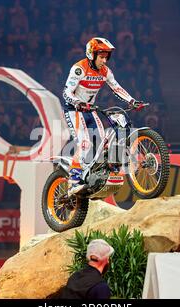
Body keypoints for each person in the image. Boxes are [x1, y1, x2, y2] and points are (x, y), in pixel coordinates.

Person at [62, 37, 145, 195]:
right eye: (101, 56)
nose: (104, 60)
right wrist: (77, 102)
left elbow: (117, 88)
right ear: (91, 54)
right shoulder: (79, 68)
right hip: (74, 110)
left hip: (91, 109)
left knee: (101, 144)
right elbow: (66, 92)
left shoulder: (105, 71)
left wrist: (132, 100)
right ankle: (73, 180)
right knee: (85, 143)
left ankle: (93, 176)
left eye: (106, 57)